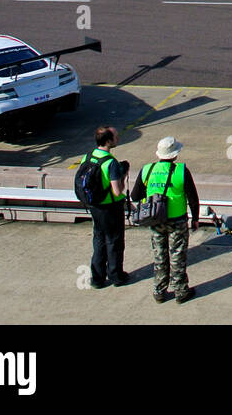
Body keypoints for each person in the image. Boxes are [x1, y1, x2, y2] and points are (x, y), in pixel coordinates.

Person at [130, 136, 200, 304]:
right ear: (175, 154)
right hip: (177, 220)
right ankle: (181, 291)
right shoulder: (182, 171)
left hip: (155, 219)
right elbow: (193, 198)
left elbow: (135, 195)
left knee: (160, 255)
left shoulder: (147, 170)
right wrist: (195, 219)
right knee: (177, 255)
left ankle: (159, 291)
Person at [81, 126, 129, 289]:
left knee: (99, 240)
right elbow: (117, 191)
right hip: (110, 207)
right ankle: (116, 276)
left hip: (94, 205)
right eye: (115, 137)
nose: (118, 138)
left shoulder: (87, 157)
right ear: (108, 141)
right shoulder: (111, 162)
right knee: (114, 241)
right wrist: (123, 175)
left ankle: (97, 278)